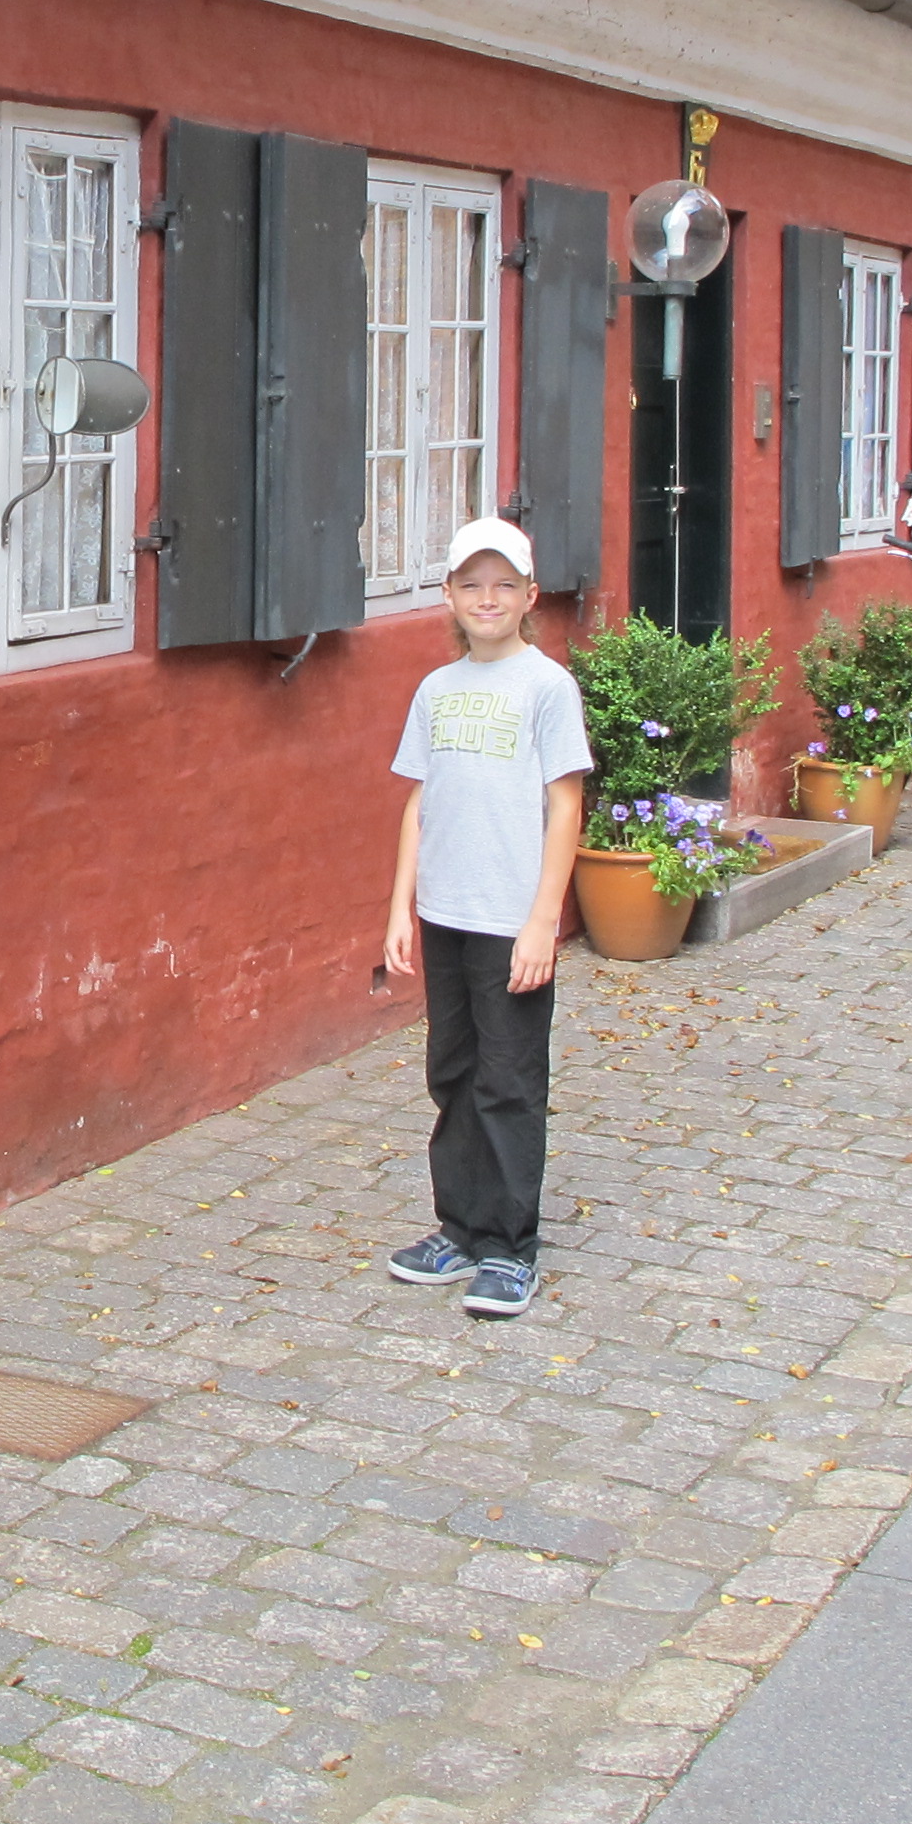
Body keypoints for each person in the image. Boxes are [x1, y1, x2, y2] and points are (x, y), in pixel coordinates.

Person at [378, 518, 591, 1319]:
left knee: (508, 1080)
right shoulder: (436, 689)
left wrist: (543, 921)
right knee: (453, 1071)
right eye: (472, 584)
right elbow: (419, 802)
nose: (488, 598)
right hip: (446, 911)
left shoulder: (546, 687)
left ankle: (508, 1247)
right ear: (449, 596)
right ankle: (460, 1229)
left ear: (530, 596)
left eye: (505, 585)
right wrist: (400, 908)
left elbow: (564, 807)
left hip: (510, 918)